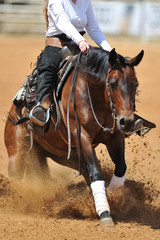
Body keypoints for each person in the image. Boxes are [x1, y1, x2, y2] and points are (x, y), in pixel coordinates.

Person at [27, 0, 113, 135]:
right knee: (48, 67)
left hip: (79, 46)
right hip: (57, 45)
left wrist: (108, 50)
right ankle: (40, 109)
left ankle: (120, 111)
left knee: (104, 69)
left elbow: (93, 27)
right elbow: (63, 23)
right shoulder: (56, 1)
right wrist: (81, 41)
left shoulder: (85, 1)